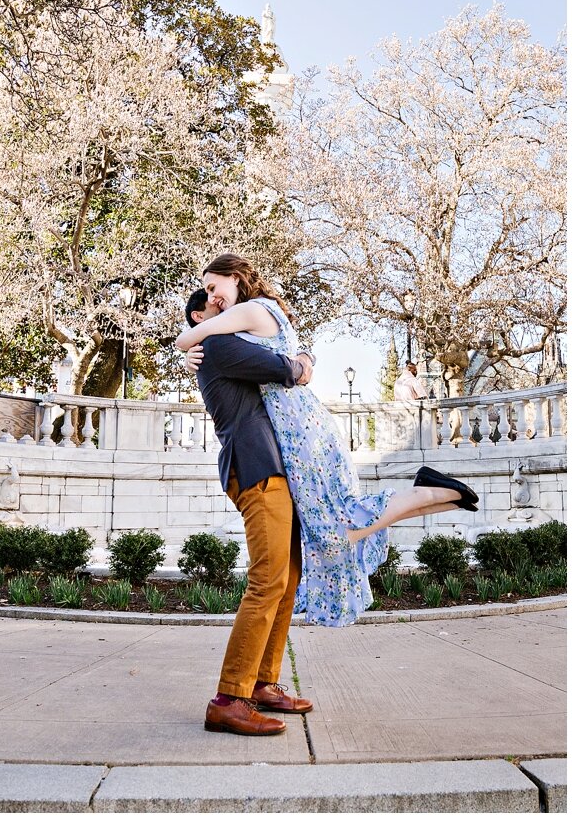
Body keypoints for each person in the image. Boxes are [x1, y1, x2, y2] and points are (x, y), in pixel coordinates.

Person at [177, 254, 478, 630]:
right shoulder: (256, 314)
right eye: (206, 293)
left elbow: (188, 335)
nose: (213, 297)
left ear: (235, 277)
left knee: (331, 530)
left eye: (213, 287)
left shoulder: (251, 310)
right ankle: (436, 493)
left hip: (299, 430)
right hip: (300, 427)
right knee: (333, 527)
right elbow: (286, 354)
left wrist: (189, 347)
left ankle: (426, 492)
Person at [181, 289, 316, 736]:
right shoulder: (217, 344)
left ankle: (261, 684)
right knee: (267, 581)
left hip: (273, 469)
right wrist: (301, 363)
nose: (228, 308)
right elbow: (278, 366)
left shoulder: (221, 342)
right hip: (256, 468)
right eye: (216, 305)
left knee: (287, 578)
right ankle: (228, 698)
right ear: (201, 317)